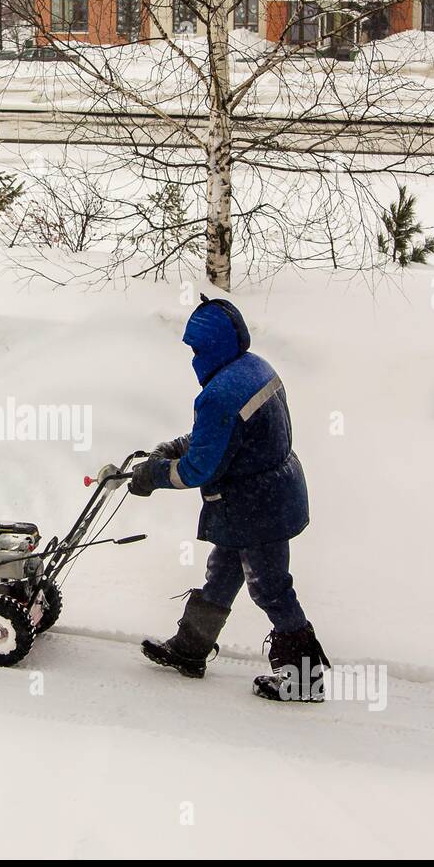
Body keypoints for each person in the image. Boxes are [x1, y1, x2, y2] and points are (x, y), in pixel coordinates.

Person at [129, 296, 330, 702]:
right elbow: (224, 439)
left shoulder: (220, 394)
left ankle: (305, 678)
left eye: (196, 349)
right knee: (222, 572)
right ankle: (190, 649)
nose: (193, 358)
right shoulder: (255, 368)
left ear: (214, 347)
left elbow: (199, 469)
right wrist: (178, 444)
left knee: (271, 588)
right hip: (264, 494)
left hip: (257, 506)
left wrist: (154, 475)